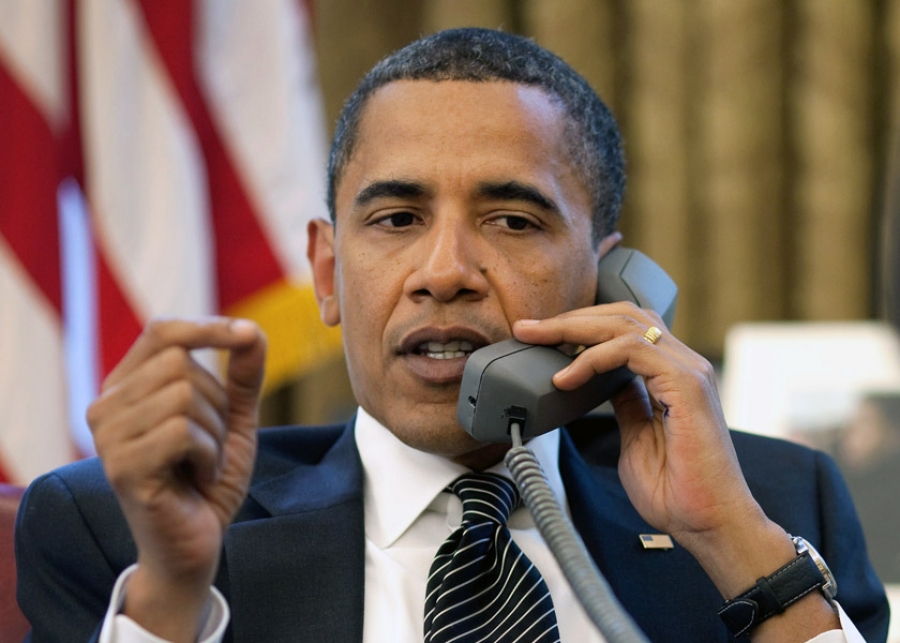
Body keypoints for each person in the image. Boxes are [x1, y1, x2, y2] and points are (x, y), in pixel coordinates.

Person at [15, 28, 889, 643]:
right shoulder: (124, 529)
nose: (445, 271)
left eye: (512, 221)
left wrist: (731, 540)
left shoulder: (774, 506)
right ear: (327, 274)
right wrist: (172, 594)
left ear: (609, 281)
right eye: (397, 218)